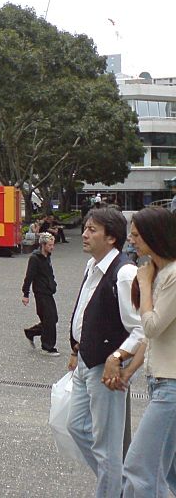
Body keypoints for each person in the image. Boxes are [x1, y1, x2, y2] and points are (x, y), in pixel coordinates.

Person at [66, 207, 143, 497]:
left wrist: (117, 357)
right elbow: (85, 310)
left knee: (107, 446)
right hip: (87, 360)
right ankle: (119, 486)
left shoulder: (124, 273)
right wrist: (75, 347)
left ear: (111, 238)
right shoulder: (92, 266)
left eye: (92, 230)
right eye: (85, 228)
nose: (84, 234)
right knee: (75, 426)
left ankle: (112, 490)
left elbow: (140, 328)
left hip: (107, 368)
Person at [115, 206, 176, 497]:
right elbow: (150, 341)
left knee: (140, 470)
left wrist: (144, 282)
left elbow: (151, 327)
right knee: (164, 473)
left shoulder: (172, 275)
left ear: (154, 235)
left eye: (137, 235)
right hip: (161, 383)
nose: (131, 240)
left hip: (171, 386)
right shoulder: (162, 273)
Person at [21, 232, 59, 355]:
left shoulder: (47, 256)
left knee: (52, 318)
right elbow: (29, 277)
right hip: (41, 293)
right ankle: (48, 347)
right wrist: (26, 294)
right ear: (43, 245)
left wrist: (53, 283)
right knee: (50, 319)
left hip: (48, 291)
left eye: (53, 245)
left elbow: (49, 273)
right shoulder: (35, 258)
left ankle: (31, 332)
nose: (52, 247)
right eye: (49, 245)